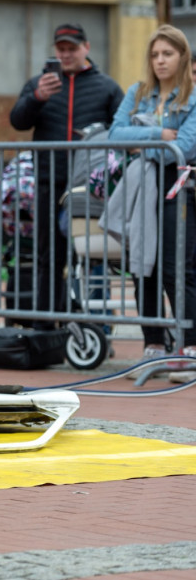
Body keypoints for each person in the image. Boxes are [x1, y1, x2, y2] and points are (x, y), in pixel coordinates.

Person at [10, 23, 124, 328]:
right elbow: (18, 121)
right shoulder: (38, 84)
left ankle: (97, 327)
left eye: (72, 48)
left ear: (86, 48)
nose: (66, 54)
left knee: (93, 255)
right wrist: (37, 97)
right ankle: (46, 327)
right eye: (60, 49)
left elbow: (122, 131)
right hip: (49, 180)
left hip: (92, 187)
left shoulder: (107, 87)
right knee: (49, 256)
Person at [104, 25, 196, 382]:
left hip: (180, 187)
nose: (160, 61)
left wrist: (140, 144)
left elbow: (183, 148)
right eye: (155, 54)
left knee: (178, 267)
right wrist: (158, 135)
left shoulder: (193, 96)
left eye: (167, 54)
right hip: (142, 187)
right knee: (143, 265)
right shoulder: (138, 92)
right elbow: (114, 134)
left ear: (182, 57)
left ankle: (189, 347)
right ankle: (153, 346)